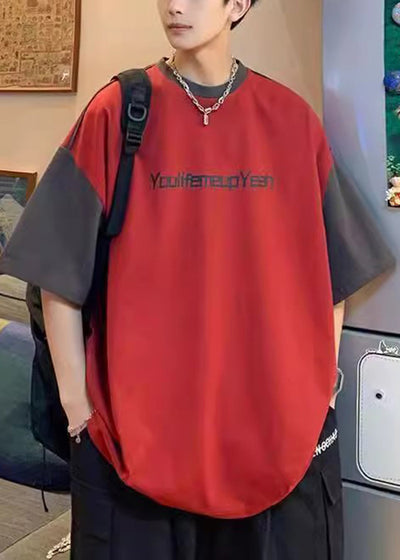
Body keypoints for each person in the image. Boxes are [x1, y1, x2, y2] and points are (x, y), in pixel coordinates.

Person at [0, 0, 395, 558]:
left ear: (238, 5)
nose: (174, 5)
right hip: (133, 451)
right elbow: (57, 274)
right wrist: (77, 410)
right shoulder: (118, 112)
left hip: (273, 448)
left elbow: (332, 274)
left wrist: (319, 392)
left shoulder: (290, 121)